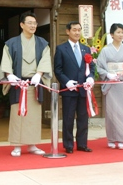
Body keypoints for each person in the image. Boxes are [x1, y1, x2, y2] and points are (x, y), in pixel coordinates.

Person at [0, 12, 52, 157]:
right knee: (18, 115)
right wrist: (9, 75)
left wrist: (39, 74)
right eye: (29, 23)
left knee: (34, 115)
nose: (33, 25)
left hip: (35, 83)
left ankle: (32, 144)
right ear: (21, 25)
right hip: (18, 83)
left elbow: (45, 60)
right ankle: (16, 145)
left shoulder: (42, 43)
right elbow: (6, 61)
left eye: (35, 23)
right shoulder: (11, 43)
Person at [54, 21, 95, 154]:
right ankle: (68, 144)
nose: (77, 32)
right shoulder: (61, 49)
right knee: (68, 118)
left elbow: (91, 68)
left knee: (83, 118)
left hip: (83, 89)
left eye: (79, 30)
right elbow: (58, 69)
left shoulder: (86, 49)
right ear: (68, 31)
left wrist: (90, 78)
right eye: (74, 30)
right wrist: (66, 82)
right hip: (69, 90)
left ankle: (82, 144)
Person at [96, 23, 123, 150]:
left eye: (122, 32)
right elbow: (99, 67)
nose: (121, 35)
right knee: (111, 112)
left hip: (122, 85)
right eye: (118, 32)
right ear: (112, 35)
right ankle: (112, 138)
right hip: (111, 84)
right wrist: (108, 74)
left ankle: (122, 138)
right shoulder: (106, 50)